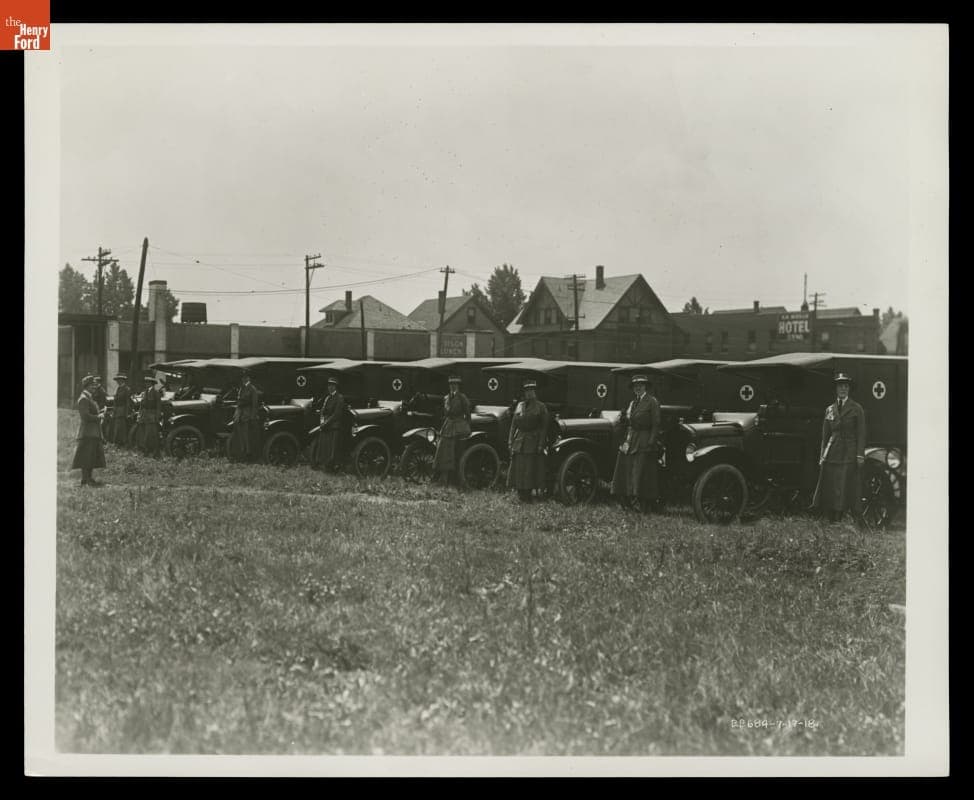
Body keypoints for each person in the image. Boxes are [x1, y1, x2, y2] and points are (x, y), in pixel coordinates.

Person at [812, 372, 866, 524]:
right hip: (832, 452)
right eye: (840, 386)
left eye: (845, 386)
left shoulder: (857, 408)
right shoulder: (829, 409)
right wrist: (822, 456)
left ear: (849, 389)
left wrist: (860, 455)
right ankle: (831, 518)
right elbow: (825, 435)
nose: (843, 389)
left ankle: (841, 517)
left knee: (844, 485)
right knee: (830, 485)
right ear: (836, 389)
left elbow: (861, 433)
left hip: (849, 452)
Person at [611, 374, 662, 512]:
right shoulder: (632, 403)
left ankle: (643, 502)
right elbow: (628, 422)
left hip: (644, 439)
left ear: (645, 386)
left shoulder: (652, 402)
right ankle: (626, 496)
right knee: (625, 468)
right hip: (631, 438)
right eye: (635, 386)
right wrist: (623, 419)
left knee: (640, 471)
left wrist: (651, 441)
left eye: (640, 385)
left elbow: (656, 424)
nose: (638, 388)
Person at [507, 380, 549, 502]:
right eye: (527, 391)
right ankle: (520, 492)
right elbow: (513, 425)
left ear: (535, 392)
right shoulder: (520, 405)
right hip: (519, 440)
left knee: (529, 468)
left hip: (533, 440)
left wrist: (541, 443)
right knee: (519, 467)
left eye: (531, 391)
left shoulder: (541, 407)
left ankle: (528, 494)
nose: (529, 393)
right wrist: (510, 441)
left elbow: (544, 427)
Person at [432, 375, 472, 486]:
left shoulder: (462, 398)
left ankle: (453, 480)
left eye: (455, 385)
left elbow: (468, 415)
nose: (452, 387)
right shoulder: (446, 398)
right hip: (447, 426)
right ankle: (441, 477)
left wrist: (467, 428)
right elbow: (445, 414)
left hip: (458, 427)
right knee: (442, 450)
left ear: (458, 386)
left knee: (455, 452)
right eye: (451, 385)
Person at [71, 375, 107, 487]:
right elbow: (85, 416)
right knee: (86, 456)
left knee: (91, 456)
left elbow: (91, 412)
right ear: (86, 386)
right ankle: (85, 480)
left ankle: (89, 479)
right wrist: (99, 416)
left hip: (93, 432)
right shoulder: (83, 398)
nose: (94, 387)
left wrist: (100, 412)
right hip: (87, 432)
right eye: (92, 385)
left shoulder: (89, 397)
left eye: (95, 385)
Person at [313, 376, 346, 471]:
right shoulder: (327, 398)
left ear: (336, 387)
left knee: (332, 449)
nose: (330, 387)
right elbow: (323, 410)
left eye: (332, 385)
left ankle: (331, 466)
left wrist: (326, 423)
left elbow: (337, 414)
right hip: (326, 425)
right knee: (324, 447)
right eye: (329, 385)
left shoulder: (339, 398)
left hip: (334, 426)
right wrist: (322, 421)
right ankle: (323, 464)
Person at [231, 370, 263, 463]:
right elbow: (239, 401)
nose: (243, 379)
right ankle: (240, 453)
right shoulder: (242, 388)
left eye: (245, 378)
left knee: (247, 436)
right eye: (242, 378)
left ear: (249, 378)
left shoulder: (252, 389)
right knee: (239, 434)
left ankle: (248, 455)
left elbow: (254, 404)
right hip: (240, 414)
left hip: (247, 414)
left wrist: (252, 417)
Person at [137, 374, 162, 458]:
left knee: (152, 435)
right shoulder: (145, 392)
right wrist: (139, 414)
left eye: (148, 382)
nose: (146, 384)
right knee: (144, 434)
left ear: (152, 383)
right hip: (144, 415)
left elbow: (158, 406)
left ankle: (155, 453)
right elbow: (141, 405)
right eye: (146, 382)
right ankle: (146, 451)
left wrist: (157, 417)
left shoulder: (156, 393)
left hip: (152, 416)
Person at [111, 373, 133, 447]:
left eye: (119, 380)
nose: (118, 381)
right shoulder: (118, 389)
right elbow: (115, 401)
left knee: (121, 427)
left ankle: (122, 443)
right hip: (117, 410)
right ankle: (117, 442)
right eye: (117, 380)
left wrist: (127, 413)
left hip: (122, 410)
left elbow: (128, 402)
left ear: (123, 380)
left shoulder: (127, 389)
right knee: (117, 427)